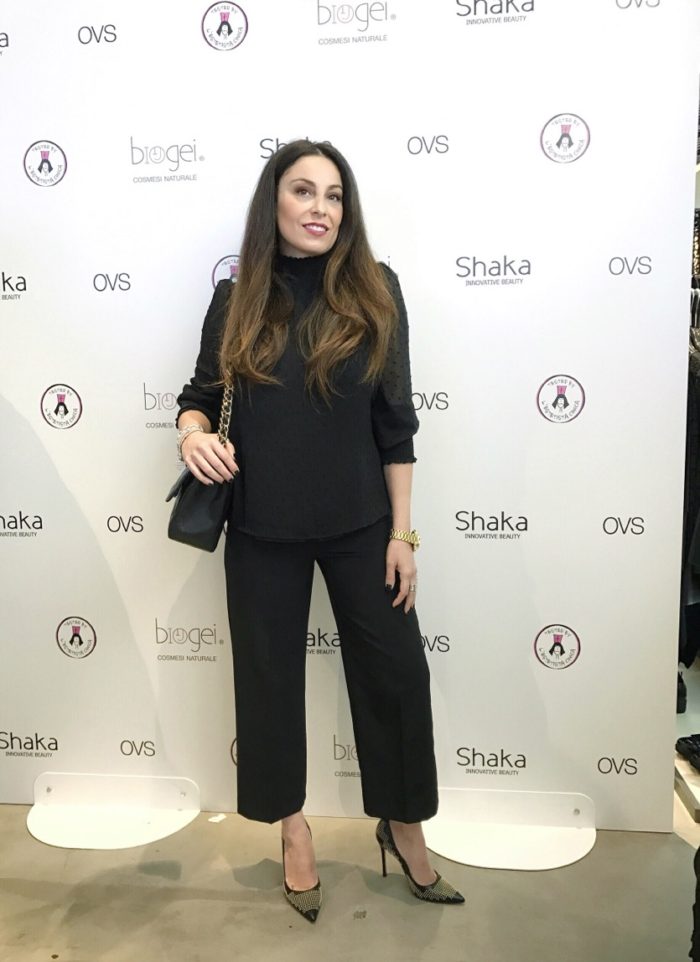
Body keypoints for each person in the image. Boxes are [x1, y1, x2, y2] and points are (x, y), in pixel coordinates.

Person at [175, 139, 464, 922]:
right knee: (268, 684)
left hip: (362, 525)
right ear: (273, 203)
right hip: (261, 526)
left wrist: (403, 536)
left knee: (397, 676)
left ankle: (403, 823)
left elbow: (396, 424)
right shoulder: (237, 299)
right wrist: (191, 435)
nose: (321, 208)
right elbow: (198, 396)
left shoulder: (376, 290)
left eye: (334, 195)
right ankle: (293, 832)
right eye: (304, 191)